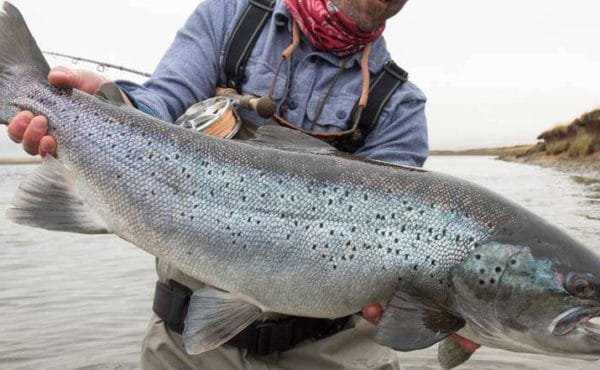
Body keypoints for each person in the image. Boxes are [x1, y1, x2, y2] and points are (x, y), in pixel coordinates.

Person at [7, 0, 479, 368]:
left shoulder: (400, 105)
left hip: (331, 353)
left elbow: (402, 262)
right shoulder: (232, 17)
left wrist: (437, 313)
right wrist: (106, 104)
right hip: (186, 346)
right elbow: (161, 104)